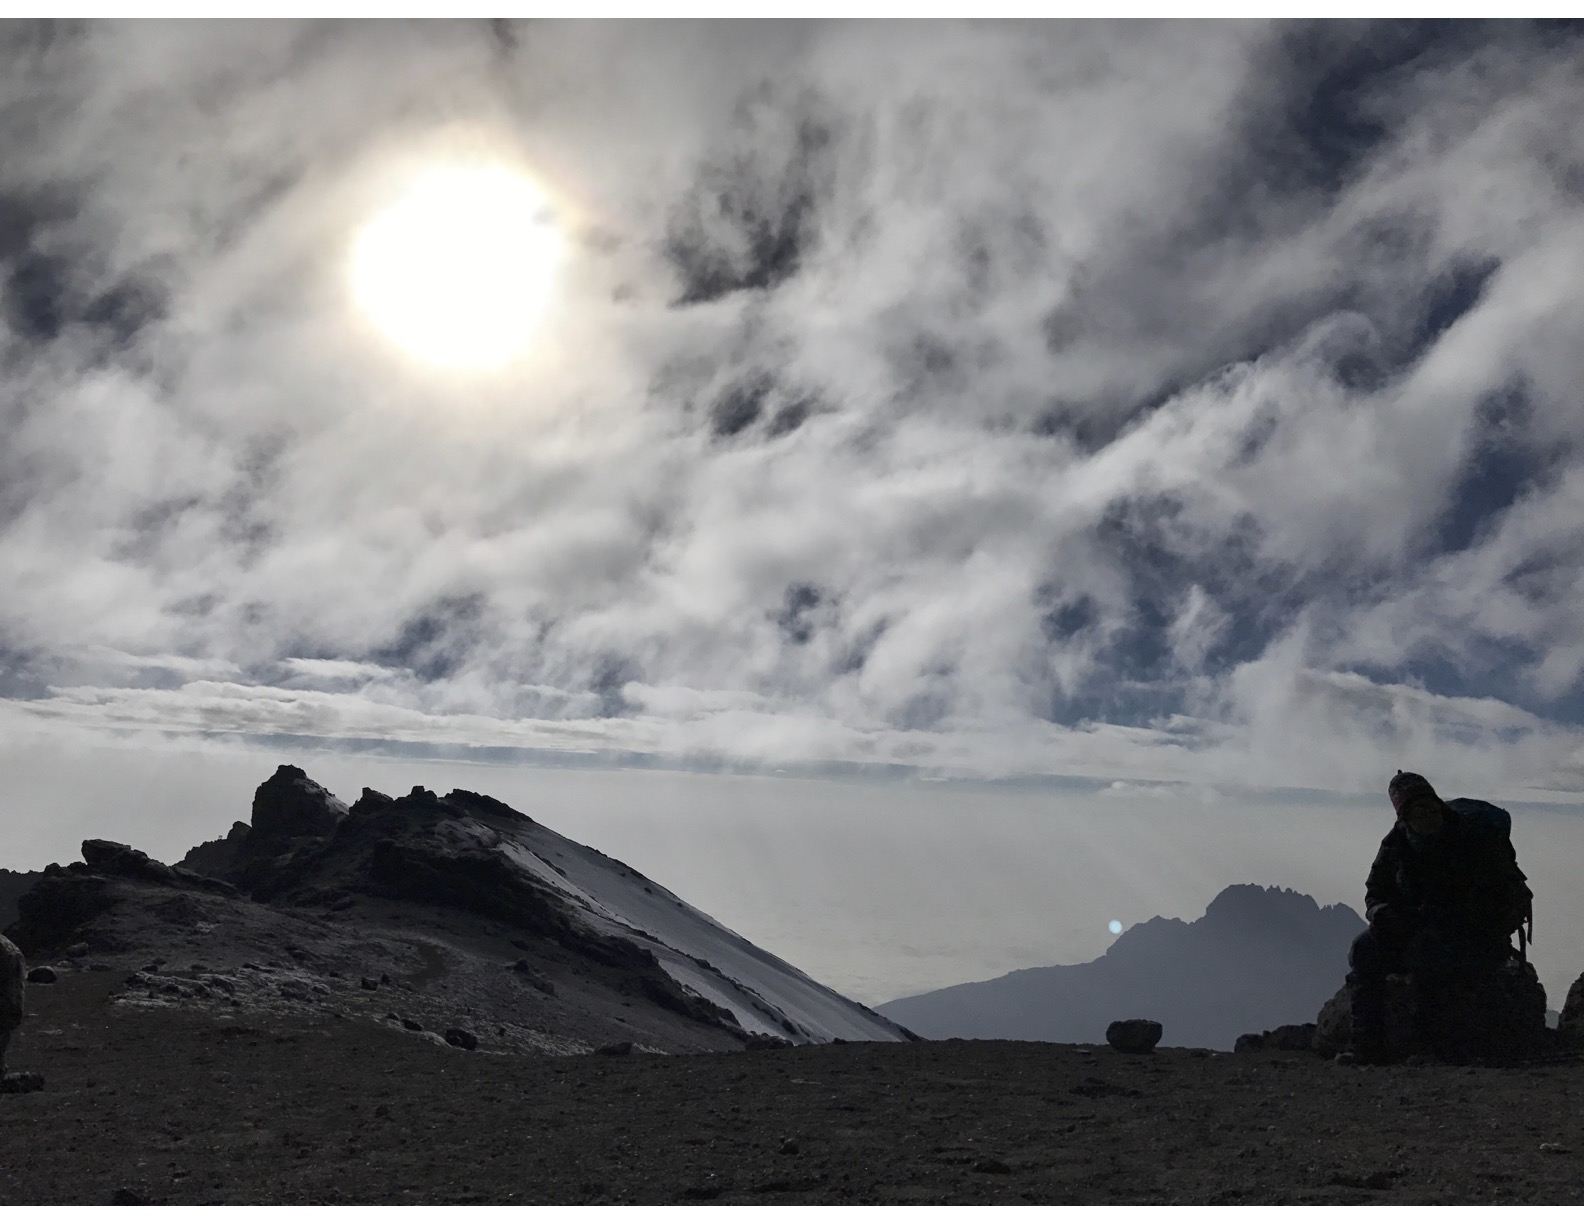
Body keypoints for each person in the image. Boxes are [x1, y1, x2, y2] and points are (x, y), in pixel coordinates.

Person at [1345, 771, 1531, 1064]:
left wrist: (1442, 920)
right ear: (1404, 815)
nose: (1428, 814)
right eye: (1419, 809)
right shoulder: (1397, 843)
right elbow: (1375, 889)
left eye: (1431, 806)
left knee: (1427, 954)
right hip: (1416, 927)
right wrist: (1380, 912)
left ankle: (1431, 1048)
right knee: (1364, 951)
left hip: (1475, 934)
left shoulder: (1470, 839)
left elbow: (1491, 899)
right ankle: (1367, 1047)